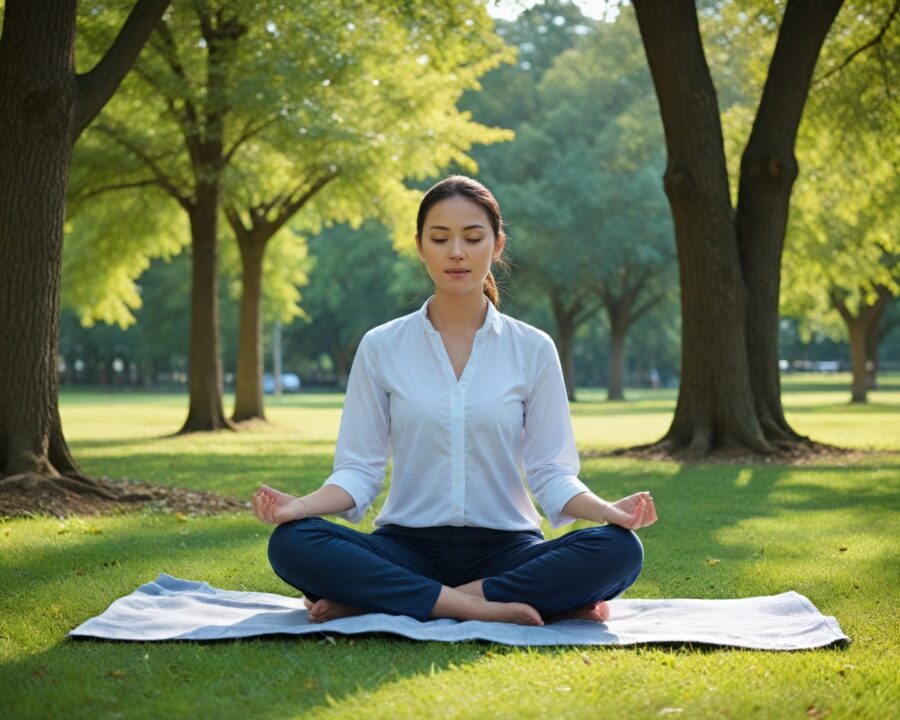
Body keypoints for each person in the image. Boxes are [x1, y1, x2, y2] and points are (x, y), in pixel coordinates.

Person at [252, 175, 657, 627]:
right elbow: (359, 471)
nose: (457, 252)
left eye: (473, 237)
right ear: (420, 246)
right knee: (291, 542)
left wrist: (607, 511)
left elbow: (550, 472)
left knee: (619, 550)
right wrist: (299, 508)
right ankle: (469, 605)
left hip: (507, 551)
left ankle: (383, 599)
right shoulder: (381, 346)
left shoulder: (533, 348)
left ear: (497, 245)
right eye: (440, 238)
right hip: (404, 548)